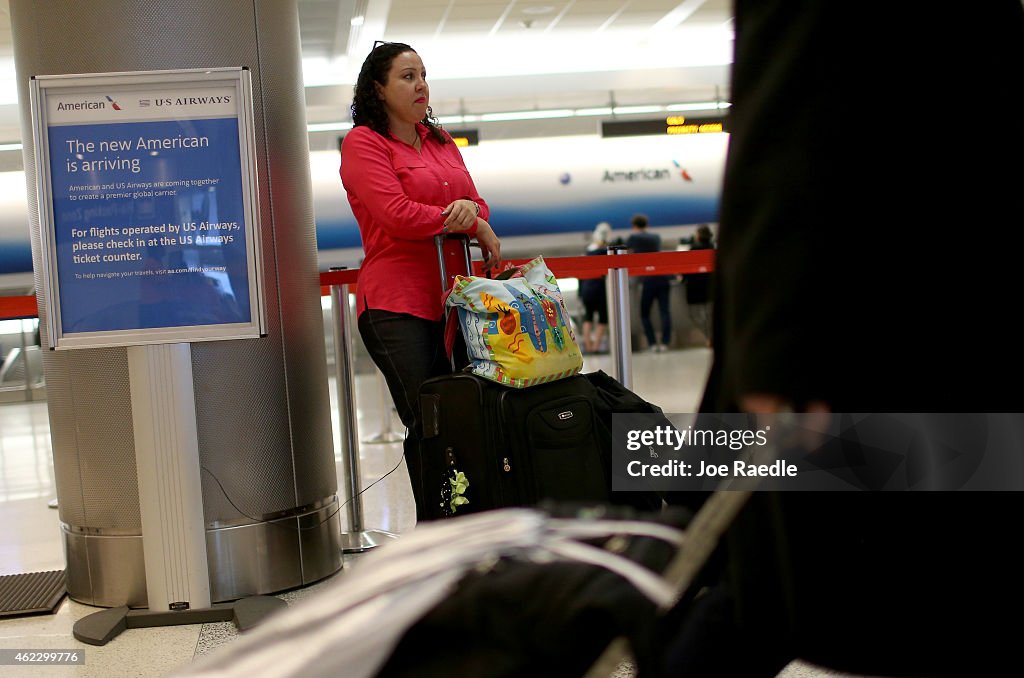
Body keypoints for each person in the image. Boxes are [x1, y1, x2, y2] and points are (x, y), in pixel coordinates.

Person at [661, 2, 1024, 676]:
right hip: (871, 329)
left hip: (905, 322)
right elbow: (786, 121)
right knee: (793, 582)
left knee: (766, 583)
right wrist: (780, 356)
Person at [339, 41, 501, 521]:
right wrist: (468, 222)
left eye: (423, 75)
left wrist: (474, 216)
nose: (421, 85)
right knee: (431, 422)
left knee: (469, 416)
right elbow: (396, 215)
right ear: (378, 89)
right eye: (407, 77)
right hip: (397, 306)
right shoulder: (364, 143)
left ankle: (473, 526)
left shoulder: (441, 141)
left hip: (456, 303)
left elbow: (477, 204)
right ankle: (437, 533)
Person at [625, 213, 671, 352]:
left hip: (648, 279)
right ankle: (665, 343)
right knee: (664, 311)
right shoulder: (656, 237)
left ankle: (652, 343)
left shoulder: (633, 237)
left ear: (634, 226)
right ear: (647, 224)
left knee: (645, 313)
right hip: (663, 276)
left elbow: (626, 253)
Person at [578, 221, 611, 353]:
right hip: (600, 288)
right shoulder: (605, 252)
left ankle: (588, 346)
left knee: (588, 316)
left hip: (587, 288)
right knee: (603, 317)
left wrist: (580, 294)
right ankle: (596, 346)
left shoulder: (588, 252)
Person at [682, 224, 714, 346]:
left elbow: (686, 266)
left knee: (694, 314)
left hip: (695, 285)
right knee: (708, 314)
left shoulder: (694, 247)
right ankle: (710, 337)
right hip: (709, 284)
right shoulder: (712, 246)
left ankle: (709, 337)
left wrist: (683, 278)